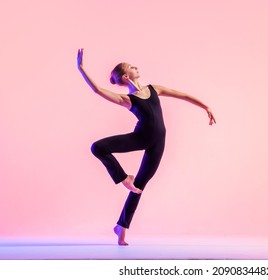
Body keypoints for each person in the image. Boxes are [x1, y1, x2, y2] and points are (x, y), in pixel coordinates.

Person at [77, 48, 216, 245]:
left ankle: (121, 228)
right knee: (97, 147)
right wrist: (81, 68)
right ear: (126, 76)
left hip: (159, 142)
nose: (136, 67)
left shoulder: (154, 89)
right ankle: (123, 178)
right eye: (131, 67)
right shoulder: (127, 100)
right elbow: (98, 90)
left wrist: (205, 106)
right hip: (140, 137)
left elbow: (182, 95)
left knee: (138, 188)